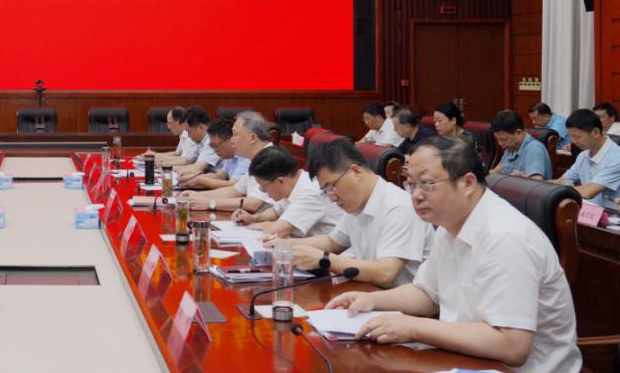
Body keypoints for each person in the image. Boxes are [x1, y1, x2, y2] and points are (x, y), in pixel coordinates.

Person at [327, 136, 580, 372]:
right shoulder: (449, 225)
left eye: (427, 183)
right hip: (464, 360)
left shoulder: (505, 237)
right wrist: (371, 301)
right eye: (411, 184)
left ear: (467, 183)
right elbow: (427, 294)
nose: (415, 195)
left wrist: (413, 327)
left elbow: (512, 346)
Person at [267, 138, 432, 287]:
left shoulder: (399, 206)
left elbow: (386, 273)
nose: (331, 198)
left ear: (356, 172)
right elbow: (332, 242)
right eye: (326, 191)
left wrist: (324, 259)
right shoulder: (357, 203)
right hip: (369, 293)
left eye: (331, 187)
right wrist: (285, 245)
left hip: (402, 304)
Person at [178, 111, 277, 219]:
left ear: (252, 138)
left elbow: (253, 204)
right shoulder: (255, 159)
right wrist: (195, 195)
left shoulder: (271, 159)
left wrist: (210, 203)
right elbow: (235, 191)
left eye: (235, 134)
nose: (232, 140)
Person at [244, 145, 344, 238]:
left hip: (327, 248)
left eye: (263, 187)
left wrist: (266, 225)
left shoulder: (309, 192)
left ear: (280, 181)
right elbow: (276, 212)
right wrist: (254, 218)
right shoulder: (294, 182)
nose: (264, 192)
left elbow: (278, 231)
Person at [553, 108, 620, 207]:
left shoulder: (616, 157)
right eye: (571, 137)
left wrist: (560, 189)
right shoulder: (583, 155)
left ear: (595, 132)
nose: (573, 142)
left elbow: (589, 191)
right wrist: (534, 184)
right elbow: (561, 181)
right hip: (588, 211)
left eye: (577, 137)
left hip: (611, 214)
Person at [175, 118, 247, 188]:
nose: (214, 150)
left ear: (230, 139)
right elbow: (219, 176)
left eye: (215, 146)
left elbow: (233, 185)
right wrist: (194, 177)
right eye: (212, 146)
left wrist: (200, 181)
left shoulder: (244, 157)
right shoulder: (230, 157)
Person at [489, 109, 552, 180]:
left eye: (504, 139)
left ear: (518, 133)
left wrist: (523, 179)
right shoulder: (510, 147)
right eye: (497, 139)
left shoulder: (534, 149)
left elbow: (537, 180)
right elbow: (496, 171)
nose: (500, 143)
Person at [171, 106, 216, 178]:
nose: (188, 136)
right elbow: (187, 160)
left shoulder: (212, 140)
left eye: (189, 131)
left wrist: (167, 168)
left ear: (200, 127)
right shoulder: (201, 141)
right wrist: (164, 165)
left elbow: (196, 168)